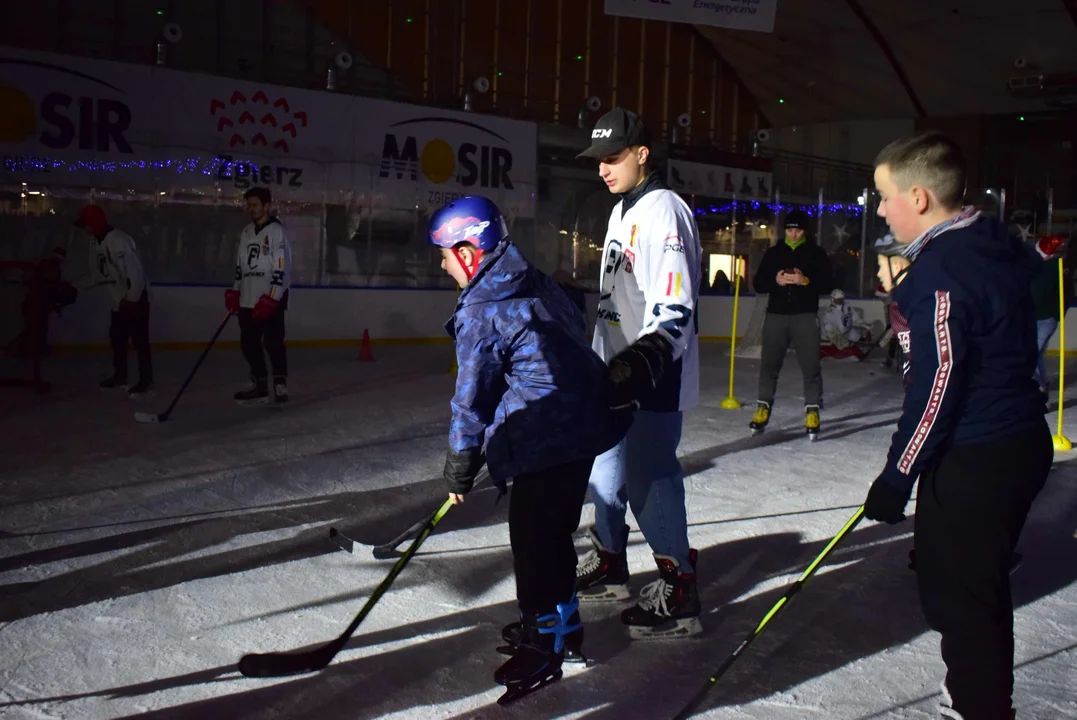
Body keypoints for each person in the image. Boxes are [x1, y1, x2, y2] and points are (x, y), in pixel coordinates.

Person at [861, 130, 1056, 720]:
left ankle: (979, 706)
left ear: (918, 198)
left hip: (977, 454)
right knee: (975, 586)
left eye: (884, 195)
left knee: (959, 600)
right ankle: (978, 696)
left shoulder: (942, 271)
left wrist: (898, 475)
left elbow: (937, 382)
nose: (879, 208)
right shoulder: (991, 240)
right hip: (1018, 442)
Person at [427, 195, 626, 703]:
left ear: (471, 251)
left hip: (550, 436)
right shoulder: (531, 277)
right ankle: (562, 629)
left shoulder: (481, 307)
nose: (442, 263)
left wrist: (460, 464)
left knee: (535, 543)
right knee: (552, 536)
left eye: (446, 253)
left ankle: (545, 644)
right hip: (587, 420)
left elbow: (471, 398)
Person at [574, 107, 702, 639]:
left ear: (642, 153)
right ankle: (610, 560)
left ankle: (679, 590)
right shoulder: (621, 209)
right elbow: (617, 299)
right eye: (598, 160)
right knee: (604, 470)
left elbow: (673, 308)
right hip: (615, 369)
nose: (603, 168)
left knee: (649, 474)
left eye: (613, 157)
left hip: (652, 373)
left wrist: (641, 363)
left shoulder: (663, 210)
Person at [748, 209, 833, 438]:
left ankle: (812, 410)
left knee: (811, 367)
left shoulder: (816, 253)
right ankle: (763, 408)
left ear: (804, 231)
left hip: (804, 316)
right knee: (769, 365)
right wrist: (775, 280)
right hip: (776, 316)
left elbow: (828, 283)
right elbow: (758, 283)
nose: (793, 234)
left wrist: (805, 281)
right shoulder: (774, 253)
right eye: (789, 229)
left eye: (797, 230)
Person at [74, 205, 154, 397]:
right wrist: (74, 286)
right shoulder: (95, 242)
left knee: (140, 341)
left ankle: (146, 381)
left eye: (87, 225)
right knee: (117, 339)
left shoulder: (118, 240)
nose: (85, 229)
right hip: (119, 301)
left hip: (135, 299)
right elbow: (97, 274)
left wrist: (132, 299)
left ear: (94, 224)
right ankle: (121, 375)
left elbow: (135, 273)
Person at [226, 187, 292, 406]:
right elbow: (240, 265)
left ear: (266, 206)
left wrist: (272, 298)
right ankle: (260, 384)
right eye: (248, 205)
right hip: (248, 299)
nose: (250, 209)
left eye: (254, 205)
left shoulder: (276, 231)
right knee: (248, 344)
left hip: (269, 299)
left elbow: (282, 267)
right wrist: (236, 290)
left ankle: (280, 383)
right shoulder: (246, 232)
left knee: (273, 343)